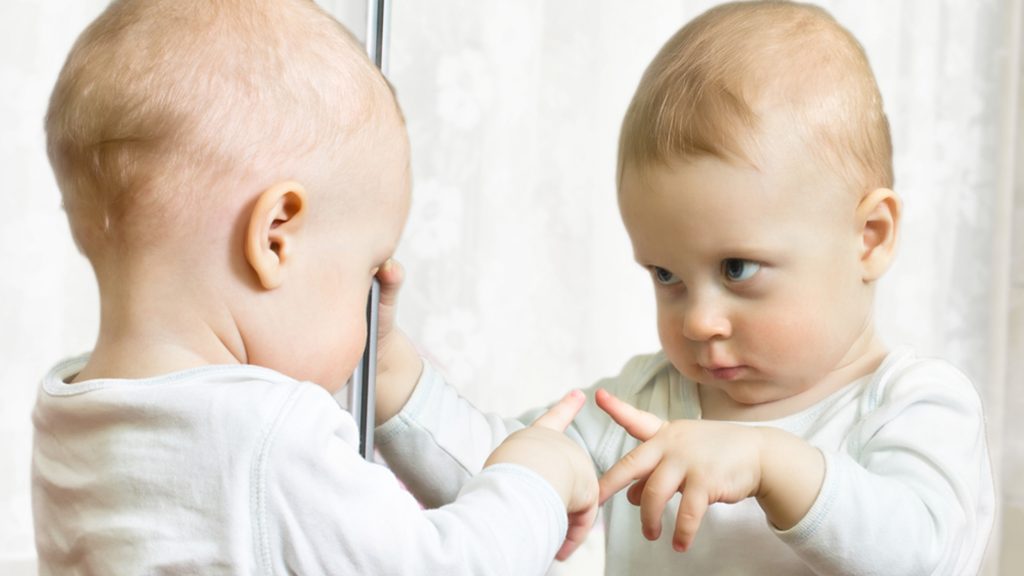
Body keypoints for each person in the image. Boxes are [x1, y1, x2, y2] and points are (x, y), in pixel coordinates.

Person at [372, 1, 995, 574]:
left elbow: (924, 553)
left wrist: (767, 461)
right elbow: (502, 485)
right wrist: (390, 375)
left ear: (870, 237)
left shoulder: (910, 406)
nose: (698, 321)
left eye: (736, 269)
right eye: (666, 275)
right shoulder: (643, 405)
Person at [31, 0, 599, 573]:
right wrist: (534, 477)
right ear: (275, 238)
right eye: (365, 276)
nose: (371, 312)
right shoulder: (268, 434)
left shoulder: (70, 415)